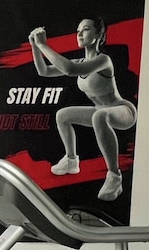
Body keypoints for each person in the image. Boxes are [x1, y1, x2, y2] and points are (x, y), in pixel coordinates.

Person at [28, 18, 137, 201]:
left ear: (99, 34)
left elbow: (70, 69)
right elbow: (44, 71)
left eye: (85, 29)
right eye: (77, 30)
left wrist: (43, 45)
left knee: (99, 116)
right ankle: (71, 161)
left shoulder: (103, 60)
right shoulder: (80, 61)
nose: (79, 33)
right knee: (63, 115)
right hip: (99, 111)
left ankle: (114, 175)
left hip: (122, 111)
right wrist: (35, 46)